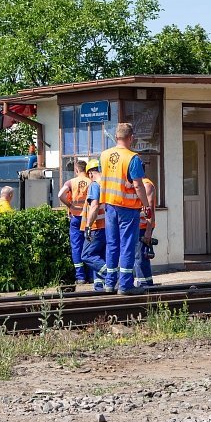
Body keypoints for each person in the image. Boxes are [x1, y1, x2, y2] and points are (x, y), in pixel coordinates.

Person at [99, 123, 152, 295]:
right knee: (127, 245)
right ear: (131, 138)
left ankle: (109, 283)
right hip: (127, 208)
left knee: (112, 244)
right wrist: (146, 204)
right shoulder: (132, 158)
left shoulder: (104, 156)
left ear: (116, 137)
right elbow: (138, 185)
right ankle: (125, 285)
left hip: (109, 206)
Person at [58, 161, 91, 285]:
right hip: (88, 218)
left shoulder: (71, 182)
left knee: (76, 246)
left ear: (76, 170)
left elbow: (60, 195)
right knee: (90, 245)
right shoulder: (91, 182)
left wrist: (69, 205)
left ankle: (80, 276)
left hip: (76, 217)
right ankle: (92, 276)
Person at [80, 159, 107, 291]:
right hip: (106, 227)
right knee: (99, 257)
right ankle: (99, 286)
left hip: (96, 227)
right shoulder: (106, 184)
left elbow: (94, 206)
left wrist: (88, 226)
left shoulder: (95, 185)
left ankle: (113, 275)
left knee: (87, 255)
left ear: (90, 173)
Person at [133, 176, 157, 290]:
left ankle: (145, 284)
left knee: (141, 256)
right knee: (138, 256)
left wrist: (148, 231)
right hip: (137, 226)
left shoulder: (147, 185)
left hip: (143, 226)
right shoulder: (137, 184)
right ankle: (144, 282)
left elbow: (150, 209)